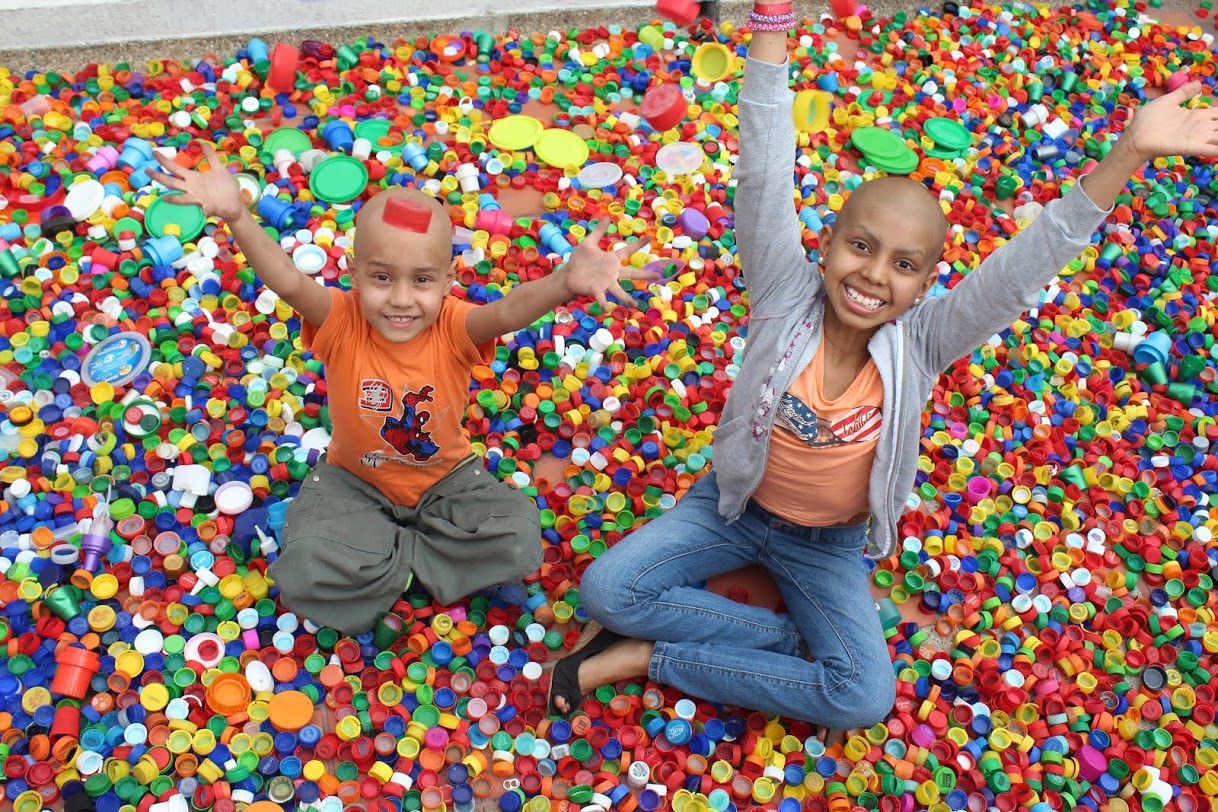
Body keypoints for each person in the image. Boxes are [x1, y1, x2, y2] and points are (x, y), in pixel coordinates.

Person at [549, 2, 1218, 725]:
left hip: (828, 546)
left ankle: (647, 656)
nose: (873, 276)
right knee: (607, 592)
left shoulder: (926, 341)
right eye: (860, 247)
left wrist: (1130, 151)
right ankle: (775, 638)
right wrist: (771, 20)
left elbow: (1028, 263)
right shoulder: (781, 289)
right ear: (828, 241)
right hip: (731, 512)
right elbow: (765, 169)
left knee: (861, 697)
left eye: (903, 265)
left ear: (926, 284)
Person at [149, 148, 654, 635]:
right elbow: (286, 281)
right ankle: (419, 560)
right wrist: (236, 214)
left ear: (448, 281)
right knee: (301, 566)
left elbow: (508, 311)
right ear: (353, 275)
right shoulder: (341, 318)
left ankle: (391, 562)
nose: (401, 299)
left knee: (519, 535)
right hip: (353, 483)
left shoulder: (455, 326)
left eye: (422, 280)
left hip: (448, 482)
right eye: (382, 278)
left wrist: (566, 282)